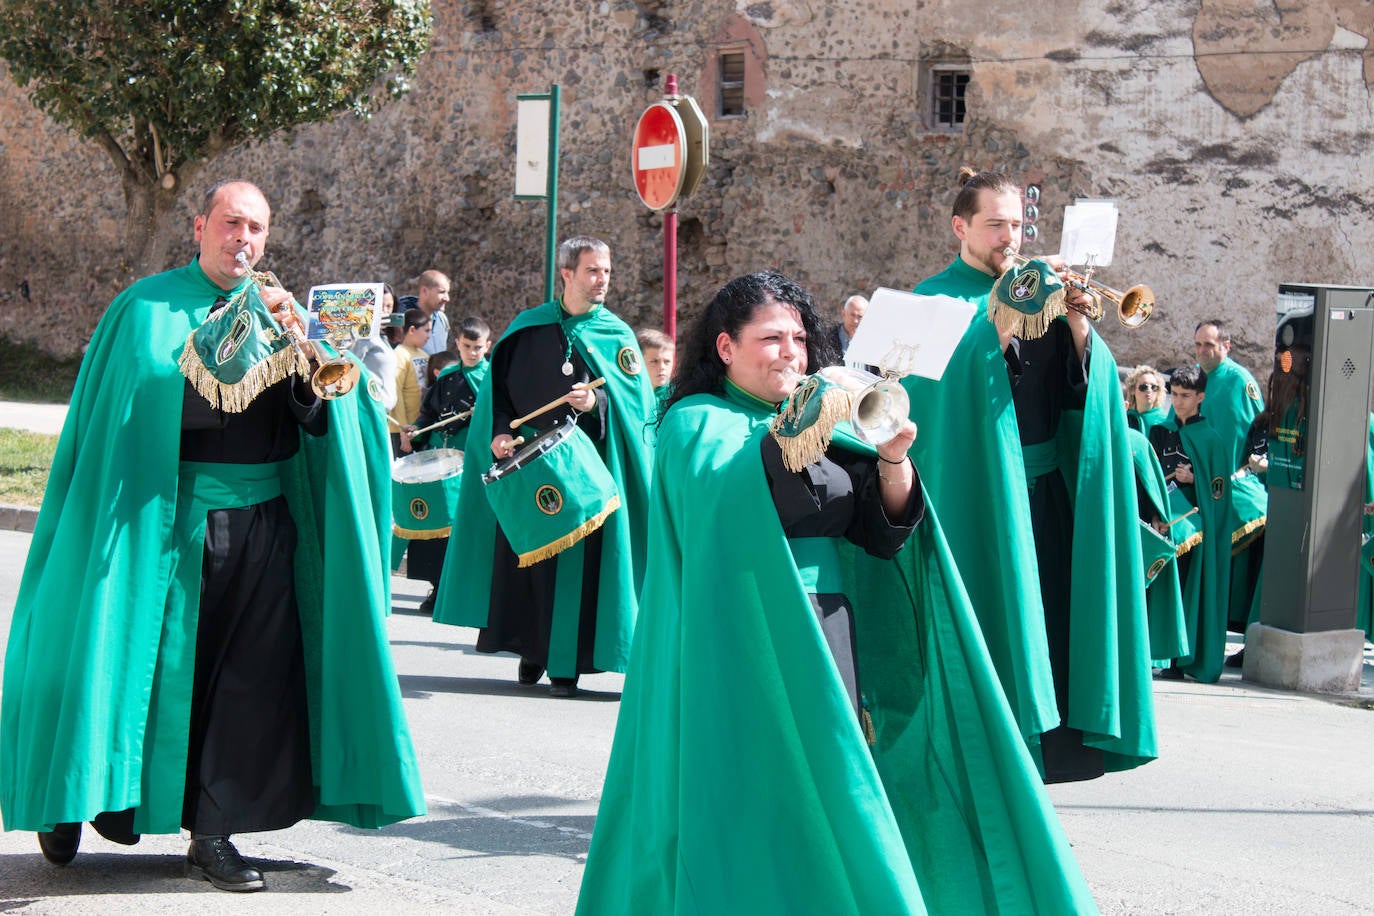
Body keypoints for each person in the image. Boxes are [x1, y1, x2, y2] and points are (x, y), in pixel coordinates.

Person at [577, 271, 1094, 913]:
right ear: (725, 349)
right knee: (761, 800)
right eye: (770, 338)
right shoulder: (694, 421)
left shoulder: (828, 421)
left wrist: (895, 460)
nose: (790, 351)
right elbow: (719, 506)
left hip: (828, 633)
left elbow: (882, 533)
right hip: (745, 641)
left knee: (833, 794)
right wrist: (784, 437)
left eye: (798, 337)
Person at [0, 179, 424, 891]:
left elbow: (317, 427)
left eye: (256, 229)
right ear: (200, 227)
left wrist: (310, 362)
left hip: (263, 521)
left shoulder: (287, 315)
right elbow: (132, 415)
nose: (244, 241)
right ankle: (73, 797)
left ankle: (213, 834)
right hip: (159, 522)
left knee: (245, 686)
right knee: (127, 669)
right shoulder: (146, 309)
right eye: (231, 224)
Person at [902, 166, 1156, 783]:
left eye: (1016, 225)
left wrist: (1075, 324)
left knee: (1056, 628)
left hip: (1046, 499)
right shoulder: (930, 300)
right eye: (994, 225)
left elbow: (1083, 396)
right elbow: (924, 399)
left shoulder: (1039, 288)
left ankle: (1053, 751)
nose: (1008, 238)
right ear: (961, 226)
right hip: (981, 500)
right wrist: (999, 327)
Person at [432, 237, 655, 697]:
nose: (602, 280)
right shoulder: (525, 330)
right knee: (529, 565)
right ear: (567, 274)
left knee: (578, 568)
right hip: (529, 468)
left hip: (586, 474)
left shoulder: (618, 337)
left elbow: (637, 409)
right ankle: (532, 650)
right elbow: (500, 398)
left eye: (607, 271)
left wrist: (598, 401)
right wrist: (497, 433)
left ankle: (565, 663)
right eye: (593, 271)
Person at [397, 317, 492, 614]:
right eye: (467, 346)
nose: (472, 353)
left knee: (467, 526)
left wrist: (482, 415)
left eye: (478, 347)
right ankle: (437, 587)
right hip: (441, 457)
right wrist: (416, 430)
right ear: (457, 344)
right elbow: (429, 414)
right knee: (437, 526)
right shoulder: (447, 376)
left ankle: (473, 590)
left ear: (487, 346)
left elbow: (497, 422)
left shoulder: (491, 380)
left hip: (472, 462)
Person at [1194, 319, 1264, 471]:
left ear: (1226, 346)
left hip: (1231, 479)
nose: (1201, 350)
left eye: (1209, 345)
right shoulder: (1191, 377)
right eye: (1198, 344)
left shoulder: (1239, 381)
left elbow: (1260, 427)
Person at [350, 283, 398, 412]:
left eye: (389, 306)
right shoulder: (365, 336)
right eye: (380, 306)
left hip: (382, 411)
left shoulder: (383, 338)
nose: (385, 311)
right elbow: (352, 365)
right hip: (369, 409)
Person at [392, 308, 431, 437]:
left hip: (419, 427)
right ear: (412, 330)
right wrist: (402, 427)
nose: (429, 336)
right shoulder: (399, 355)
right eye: (426, 331)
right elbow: (396, 393)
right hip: (403, 430)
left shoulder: (424, 355)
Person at [830, 293, 876, 371]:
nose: (855, 321)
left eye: (860, 317)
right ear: (844, 314)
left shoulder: (873, 343)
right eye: (852, 315)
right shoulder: (829, 338)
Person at [1125, 364, 1170, 438]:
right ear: (1132, 389)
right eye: (1143, 387)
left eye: (1154, 387)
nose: (1149, 390)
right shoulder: (1125, 418)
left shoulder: (1164, 422)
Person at [414, 269, 452, 355]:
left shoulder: (442, 320)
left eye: (447, 292)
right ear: (424, 291)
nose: (447, 298)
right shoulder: (408, 322)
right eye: (442, 292)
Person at [636, 327, 675, 393]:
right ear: (639, 361)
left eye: (667, 361)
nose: (662, 367)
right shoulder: (630, 394)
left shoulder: (677, 394)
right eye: (654, 361)